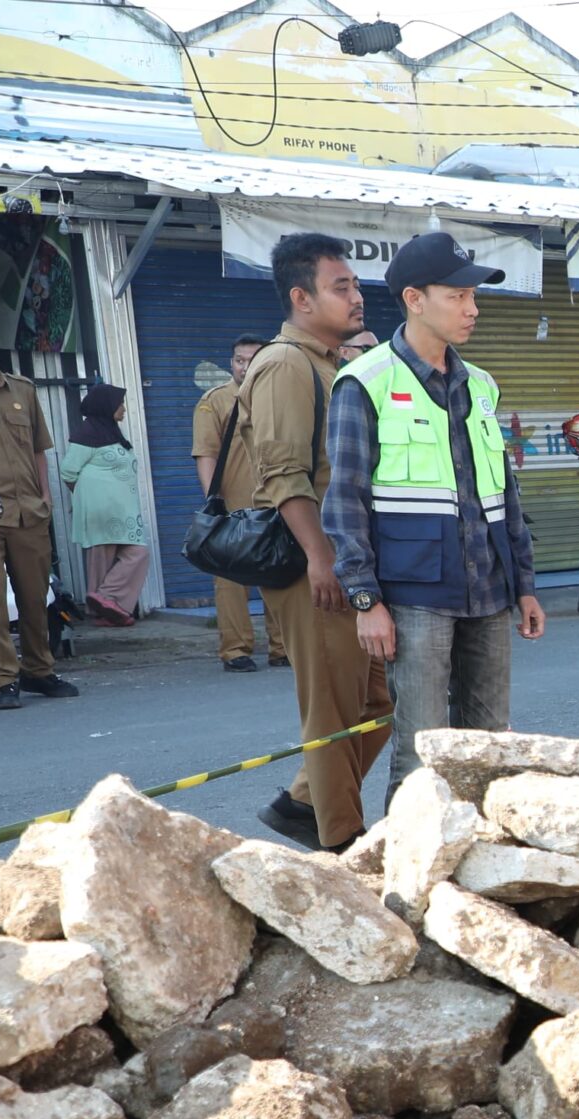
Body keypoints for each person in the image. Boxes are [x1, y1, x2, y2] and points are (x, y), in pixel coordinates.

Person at [322, 232, 546, 805]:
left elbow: (505, 494)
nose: (472, 308)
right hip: (416, 595)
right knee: (422, 751)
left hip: (490, 591)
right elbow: (344, 502)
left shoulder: (482, 386)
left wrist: (524, 585)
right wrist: (366, 601)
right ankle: (406, 876)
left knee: (492, 744)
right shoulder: (365, 383)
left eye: (474, 297)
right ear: (415, 299)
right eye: (459, 296)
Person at [239, 233, 387, 852]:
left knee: (377, 700)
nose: (356, 297)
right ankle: (340, 843)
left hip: (341, 559)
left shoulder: (332, 363)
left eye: (354, 284)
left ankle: (303, 803)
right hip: (313, 564)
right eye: (341, 286)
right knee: (332, 712)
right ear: (301, 297)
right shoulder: (284, 364)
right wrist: (322, 561)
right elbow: (283, 474)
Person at [0, 323, 77, 710]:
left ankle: (39, 670)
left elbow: (40, 448)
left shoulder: (22, 390)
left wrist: (46, 497)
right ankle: (4, 678)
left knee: (36, 597)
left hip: (29, 512)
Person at [193, 334, 285, 671]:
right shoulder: (214, 401)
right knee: (230, 580)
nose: (244, 367)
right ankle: (235, 649)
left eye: (251, 359)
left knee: (277, 573)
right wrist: (212, 500)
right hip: (233, 504)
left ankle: (282, 647)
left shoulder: (278, 397)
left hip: (274, 501)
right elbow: (206, 453)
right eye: (238, 360)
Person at [62, 385, 148, 628]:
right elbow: (68, 470)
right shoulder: (88, 433)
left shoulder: (111, 431)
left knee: (137, 553)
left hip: (121, 509)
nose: (123, 408)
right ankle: (103, 611)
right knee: (103, 557)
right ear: (106, 406)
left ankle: (105, 600)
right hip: (101, 507)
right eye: (119, 404)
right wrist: (86, 497)